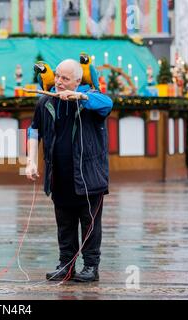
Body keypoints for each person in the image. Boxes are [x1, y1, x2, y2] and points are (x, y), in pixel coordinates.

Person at [25, 59, 113, 282]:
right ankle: (66, 265)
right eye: (57, 76)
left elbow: (107, 103)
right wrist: (30, 161)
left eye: (65, 78)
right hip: (59, 177)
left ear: (77, 80)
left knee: (90, 225)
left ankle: (91, 266)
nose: (59, 82)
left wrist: (81, 97)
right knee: (65, 225)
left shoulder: (90, 99)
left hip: (88, 177)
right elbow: (34, 131)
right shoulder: (46, 101)